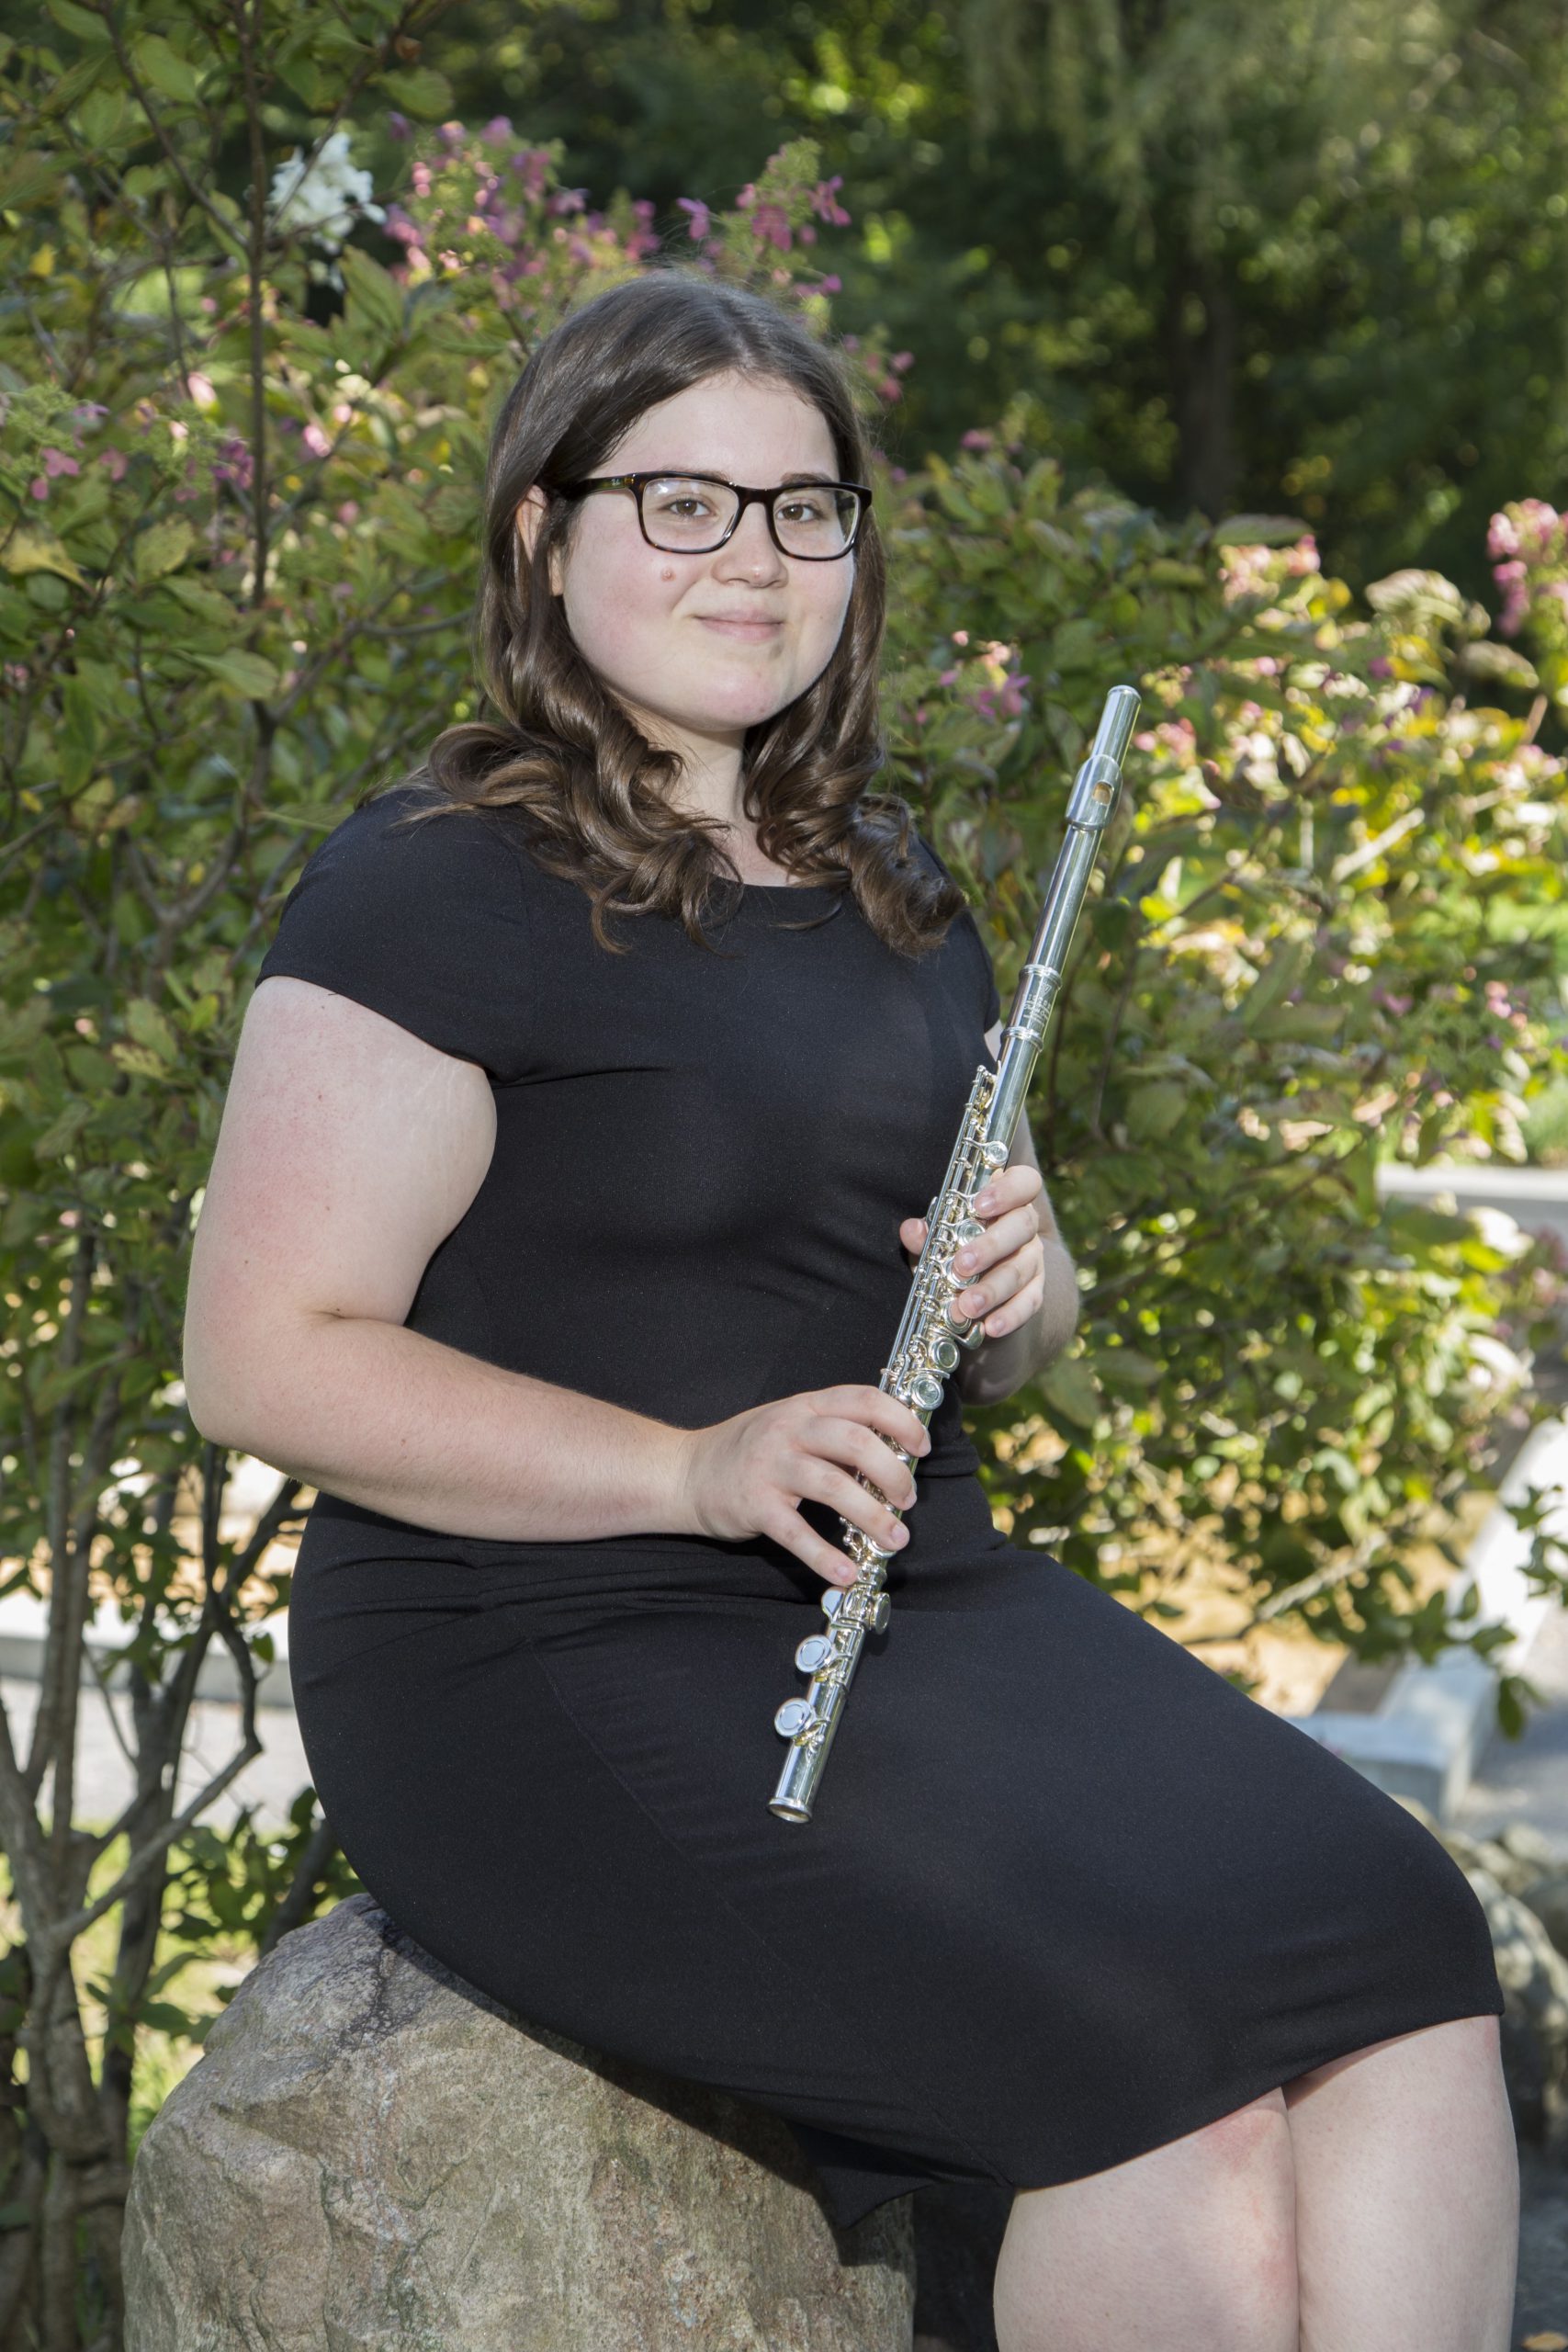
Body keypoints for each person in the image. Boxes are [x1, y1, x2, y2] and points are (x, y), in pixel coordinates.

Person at [183, 266, 1517, 2351]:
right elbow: (266, 1355)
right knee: (1139, 2074)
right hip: (533, 1641)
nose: (755, 557)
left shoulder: (892, 880)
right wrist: (692, 1464)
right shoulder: (427, 888)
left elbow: (1011, 1318)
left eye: (803, 509)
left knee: (1401, 1941)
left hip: (905, 1596)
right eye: (684, 502)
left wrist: (1024, 1284)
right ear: (545, 530)